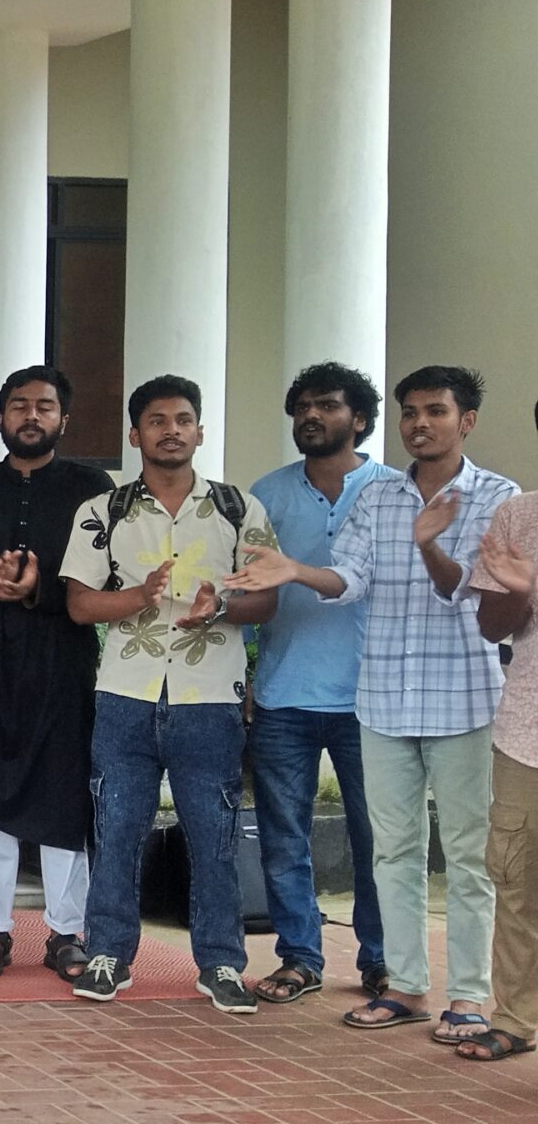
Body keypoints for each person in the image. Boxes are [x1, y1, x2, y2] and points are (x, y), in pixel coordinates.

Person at [227, 365, 518, 1039]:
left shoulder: (496, 497)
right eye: (411, 412)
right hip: (383, 700)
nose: (420, 423)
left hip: (462, 703)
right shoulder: (382, 497)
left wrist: (429, 545)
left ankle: (469, 997)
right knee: (393, 852)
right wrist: (295, 570)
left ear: (467, 420)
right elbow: (350, 579)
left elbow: (471, 594)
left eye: (435, 411)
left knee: (468, 858)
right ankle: (407, 988)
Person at [64, 375, 279, 1013]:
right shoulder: (103, 511)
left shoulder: (239, 509)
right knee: (117, 830)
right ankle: (108, 954)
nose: (171, 431)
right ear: (135, 435)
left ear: (200, 432)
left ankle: (221, 963)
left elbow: (267, 600)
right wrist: (138, 596)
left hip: (209, 696)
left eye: (183, 420)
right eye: (157, 421)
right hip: (125, 694)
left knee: (214, 836)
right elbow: (79, 604)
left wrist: (222, 608)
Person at [0, 367, 113, 981]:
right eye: (19, 405)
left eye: (44, 406)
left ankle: (66, 931)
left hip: (61, 658)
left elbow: (104, 575)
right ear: (0, 418)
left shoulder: (92, 488)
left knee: (64, 796)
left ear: (64, 419)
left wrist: (40, 591)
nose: (31, 416)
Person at [242, 362, 400, 1004]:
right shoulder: (266, 494)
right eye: (303, 406)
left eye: (327, 405)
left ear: (359, 419)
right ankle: (300, 957)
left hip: (373, 697)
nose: (311, 415)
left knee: (379, 839)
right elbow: (251, 592)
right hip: (284, 693)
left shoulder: (394, 491)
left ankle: (384, 960)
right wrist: (247, 677)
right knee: (285, 837)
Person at [464, 431, 538, 1062]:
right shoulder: (518, 515)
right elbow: (492, 628)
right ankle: (515, 1018)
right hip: (526, 735)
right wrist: (517, 591)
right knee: (516, 883)